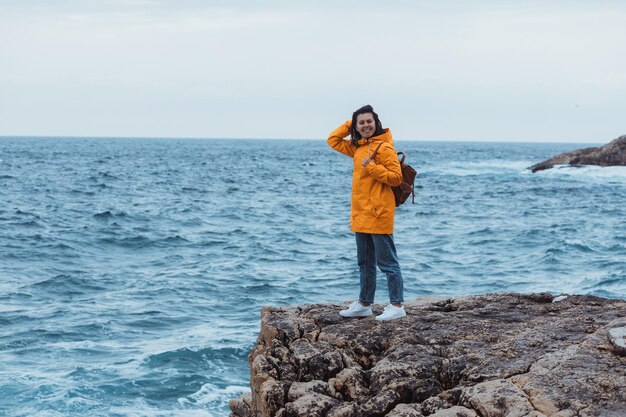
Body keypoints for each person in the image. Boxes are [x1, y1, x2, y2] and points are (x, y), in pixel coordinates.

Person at [327, 105, 406, 321]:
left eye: (369, 121)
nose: (365, 125)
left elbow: (396, 178)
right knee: (365, 262)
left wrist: (371, 166)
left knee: (387, 263)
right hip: (361, 214)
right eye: (360, 122)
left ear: (376, 122)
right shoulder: (358, 147)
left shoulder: (384, 148)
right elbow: (333, 140)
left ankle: (397, 305)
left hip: (379, 213)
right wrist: (349, 124)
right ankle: (364, 304)